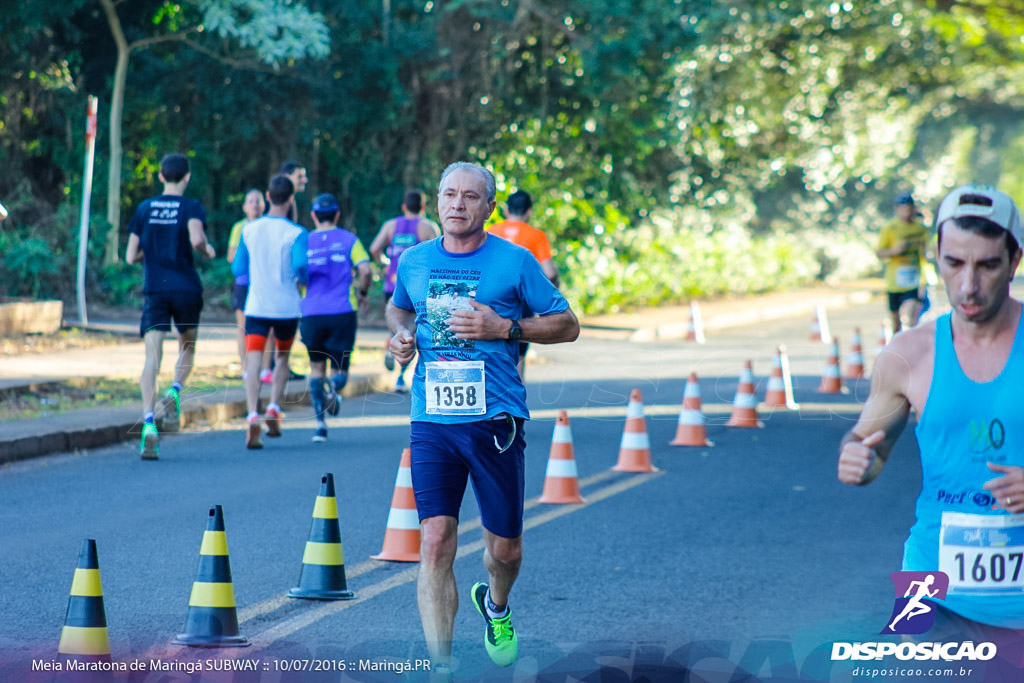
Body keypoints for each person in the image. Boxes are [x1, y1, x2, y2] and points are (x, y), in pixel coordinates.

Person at [387, 162, 579, 674]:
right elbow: (398, 309)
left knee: (506, 552)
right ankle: (442, 667)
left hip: (497, 420)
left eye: (470, 197)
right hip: (432, 419)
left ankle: (495, 605)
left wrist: (505, 327)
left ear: (488, 208)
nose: (457, 204)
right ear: (436, 201)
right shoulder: (415, 260)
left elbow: (567, 324)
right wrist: (401, 337)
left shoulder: (515, 262)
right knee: (434, 541)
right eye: (449, 194)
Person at [838, 184, 1024, 638]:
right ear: (936, 255)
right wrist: (857, 457)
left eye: (988, 265)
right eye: (954, 264)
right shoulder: (908, 354)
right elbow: (868, 444)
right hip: (928, 586)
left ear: (1015, 261)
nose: (968, 286)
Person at [125, 153, 216, 459]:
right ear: (186, 177)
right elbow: (196, 239)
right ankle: (175, 391)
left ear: (161, 176)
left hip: (156, 290)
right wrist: (209, 251)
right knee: (187, 346)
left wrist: (150, 252)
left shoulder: (145, 208)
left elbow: (130, 255)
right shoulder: (191, 207)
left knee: (152, 357)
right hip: (186, 288)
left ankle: (149, 423)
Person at [232, 174, 308, 449]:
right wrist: (302, 279)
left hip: (257, 306)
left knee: (253, 360)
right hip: (287, 306)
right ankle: (274, 407)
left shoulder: (249, 230)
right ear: (290, 198)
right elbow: (301, 266)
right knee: (282, 357)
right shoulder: (297, 232)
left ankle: (253, 413)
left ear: (267, 196)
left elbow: (237, 268)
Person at [300, 193, 372, 443]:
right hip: (342, 311)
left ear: (313, 215)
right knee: (340, 372)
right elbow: (365, 270)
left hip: (311, 313)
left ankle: (320, 425)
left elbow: (294, 275)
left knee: (316, 369)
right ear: (337, 215)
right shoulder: (349, 239)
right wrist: (362, 293)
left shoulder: (304, 241)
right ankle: (334, 389)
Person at [370, 189, 440, 392]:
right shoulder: (428, 227)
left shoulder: (391, 225)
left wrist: (384, 264)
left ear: (404, 207)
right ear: (424, 207)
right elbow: (436, 256)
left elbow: (375, 248)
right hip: (417, 287)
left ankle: (392, 350)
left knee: (397, 326)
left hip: (392, 284)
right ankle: (401, 378)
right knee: (413, 330)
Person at [487, 190, 560, 377]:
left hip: (489, 299)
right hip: (521, 301)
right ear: (529, 212)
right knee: (518, 353)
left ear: (505, 209)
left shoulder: (490, 231)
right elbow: (550, 272)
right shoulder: (536, 235)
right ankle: (515, 398)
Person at [877, 193, 931, 333]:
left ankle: (912, 349)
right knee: (896, 323)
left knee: (912, 318)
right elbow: (879, 253)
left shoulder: (920, 229)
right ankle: (897, 351)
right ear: (897, 209)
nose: (906, 212)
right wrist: (895, 251)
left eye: (909, 208)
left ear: (914, 209)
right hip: (894, 283)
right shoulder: (890, 228)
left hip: (913, 281)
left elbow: (926, 251)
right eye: (903, 209)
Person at [227, 189, 265, 373]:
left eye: (258, 200)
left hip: (265, 282)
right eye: (251, 201)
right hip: (244, 282)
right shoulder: (239, 227)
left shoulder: (268, 226)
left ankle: (265, 369)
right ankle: (246, 369)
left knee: (267, 327)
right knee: (243, 328)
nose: (255, 204)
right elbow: (231, 257)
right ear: (244, 207)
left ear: (264, 205)